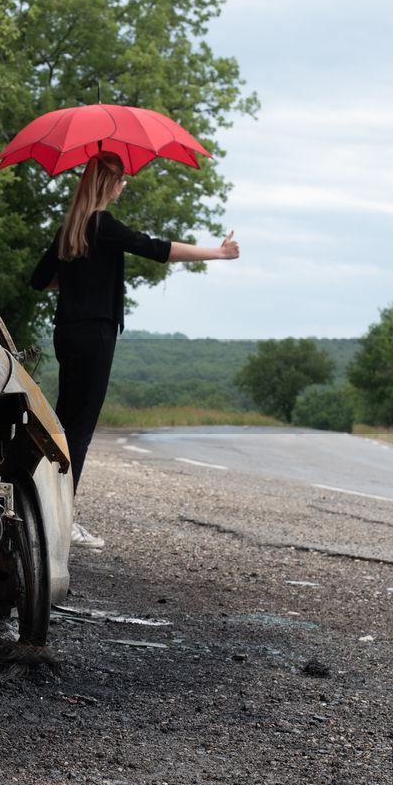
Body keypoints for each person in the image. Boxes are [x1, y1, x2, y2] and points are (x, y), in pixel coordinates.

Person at [30, 151, 239, 549]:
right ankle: (59, 521)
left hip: (68, 333)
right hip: (96, 335)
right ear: (110, 184)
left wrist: (82, 280)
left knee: (64, 423)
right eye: (122, 179)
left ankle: (43, 511)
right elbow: (159, 250)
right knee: (79, 430)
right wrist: (219, 253)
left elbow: (41, 280)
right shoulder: (102, 225)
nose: (125, 185)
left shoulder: (70, 227)